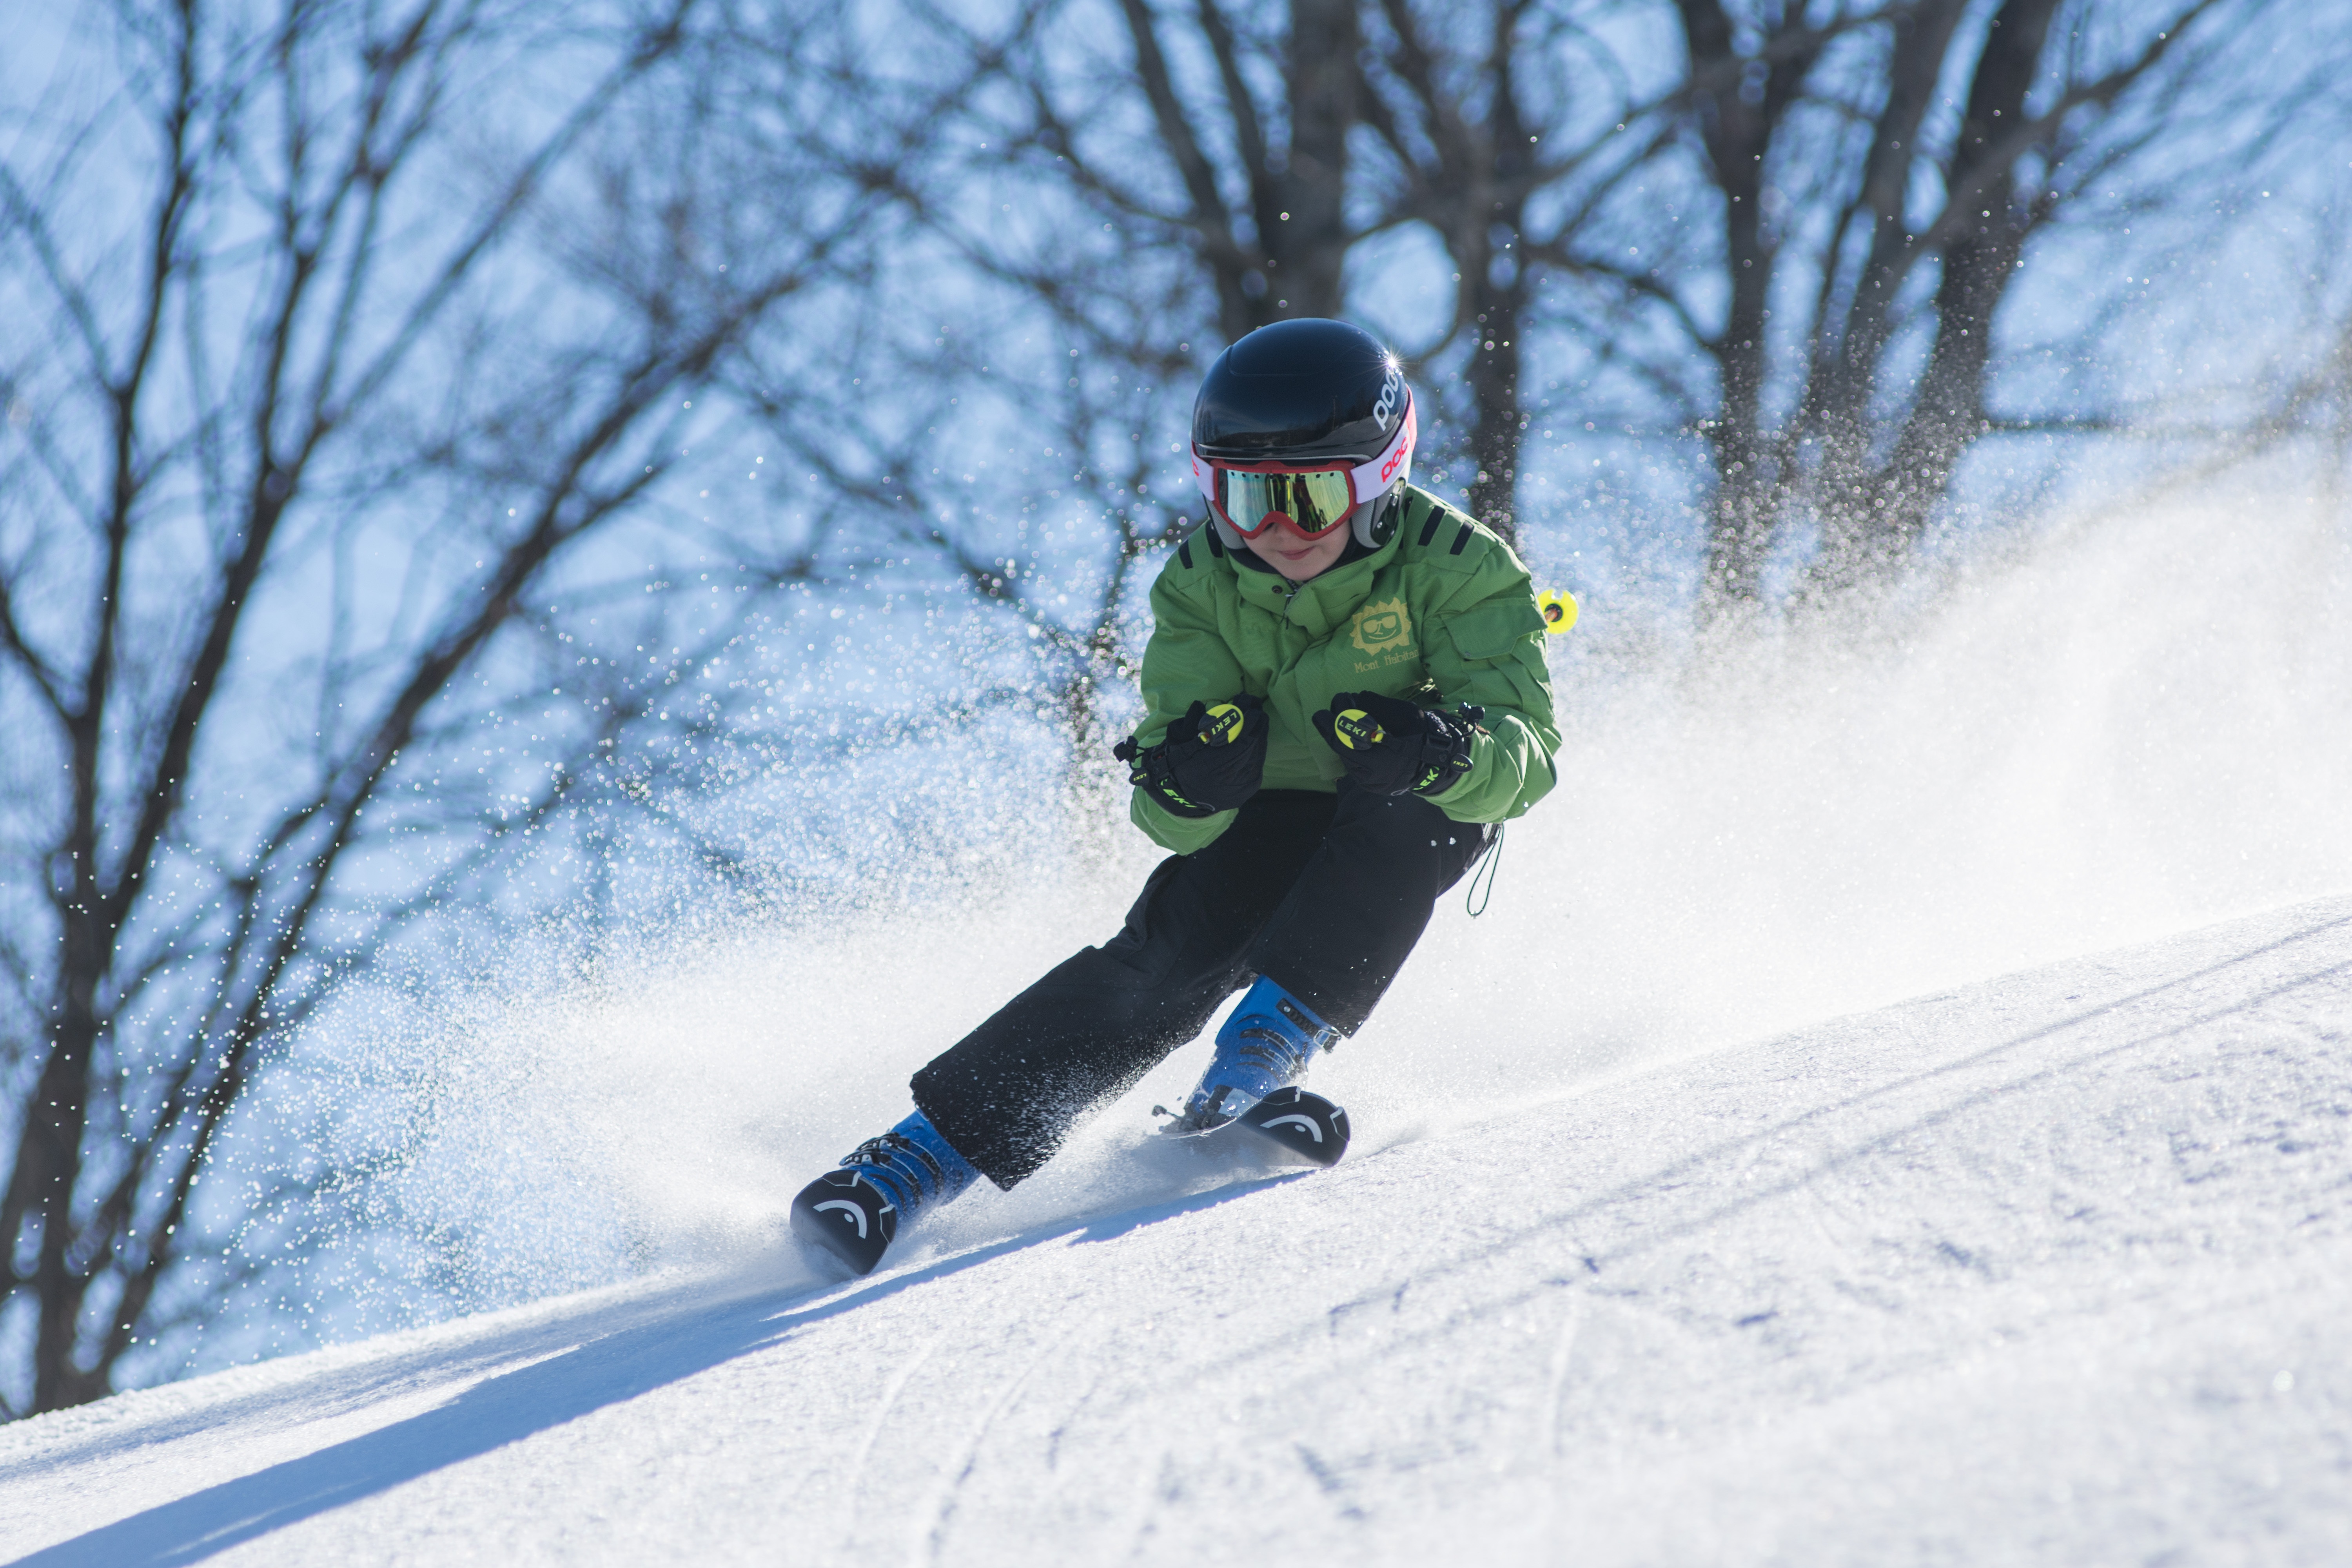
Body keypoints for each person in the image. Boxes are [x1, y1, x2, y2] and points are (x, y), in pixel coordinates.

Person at [789, 317, 1561, 1275]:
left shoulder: (1462, 565)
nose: (1274, 530)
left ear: (1378, 483)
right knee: (1169, 952)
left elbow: (1527, 756)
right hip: (1269, 810)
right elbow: (1164, 808)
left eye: (1310, 498)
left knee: (1419, 817)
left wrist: (1440, 750)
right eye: (1243, 497)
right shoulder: (1200, 582)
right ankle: (911, 1163)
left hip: (1404, 801)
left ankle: (1255, 1063)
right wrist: (1192, 779)